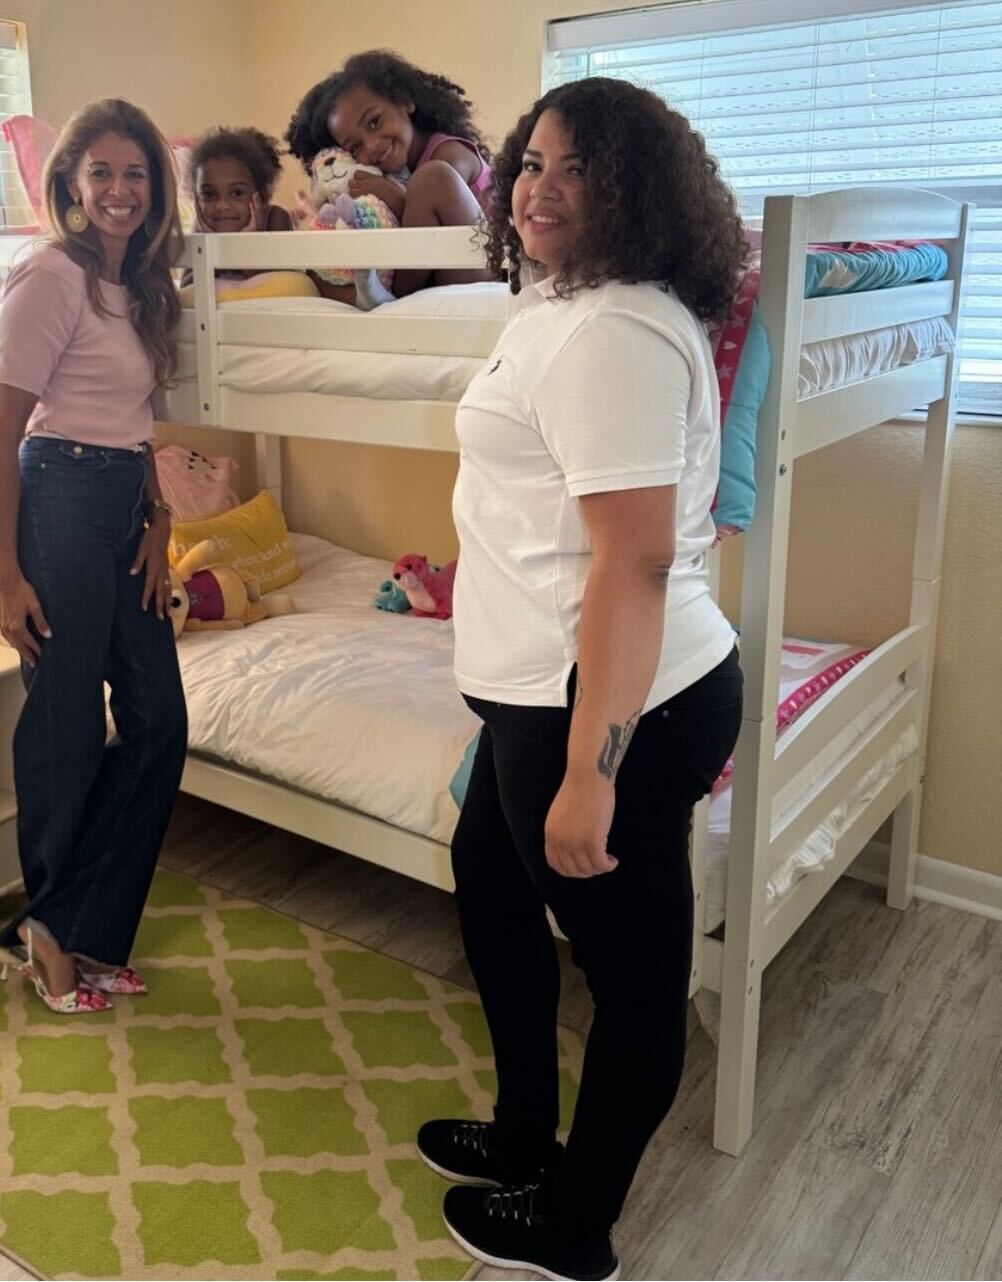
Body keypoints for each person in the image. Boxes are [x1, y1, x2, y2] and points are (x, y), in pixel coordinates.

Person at [418, 78, 747, 1280]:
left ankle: (574, 1225)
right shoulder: (561, 304)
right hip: (539, 688)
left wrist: (590, 774)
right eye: (532, 163)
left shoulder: (612, 330)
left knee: (636, 981)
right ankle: (520, 1136)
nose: (540, 188)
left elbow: (639, 559)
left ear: (636, 192)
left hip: (617, 703)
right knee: (491, 895)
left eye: (578, 168)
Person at [0, 98, 188, 1015]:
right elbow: (0, 433)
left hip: (120, 501)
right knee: (65, 727)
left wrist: (158, 519)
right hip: (55, 497)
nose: (119, 190)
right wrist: (4, 574)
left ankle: (83, 928)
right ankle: (51, 932)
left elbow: (134, 424)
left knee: (159, 723)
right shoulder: (51, 276)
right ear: (70, 181)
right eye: (100, 172)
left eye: (135, 173)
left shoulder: (142, 282)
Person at [285, 49, 493, 303]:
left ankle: (391, 299)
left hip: (482, 270)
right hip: (432, 275)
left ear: (405, 101)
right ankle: (367, 296)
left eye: (374, 122)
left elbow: (436, 226)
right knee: (316, 268)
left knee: (431, 180)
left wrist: (395, 198)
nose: (371, 145)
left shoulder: (450, 153)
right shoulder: (392, 173)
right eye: (355, 147)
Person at [191, 126, 292, 233]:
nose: (222, 206)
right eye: (209, 195)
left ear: (262, 195)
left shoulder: (275, 218)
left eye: (237, 193)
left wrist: (250, 241)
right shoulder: (200, 226)